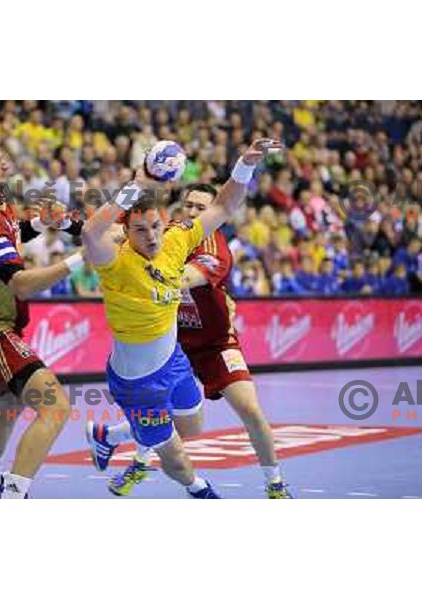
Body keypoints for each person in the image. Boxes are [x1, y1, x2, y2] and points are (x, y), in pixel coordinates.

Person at [82, 138, 283, 499]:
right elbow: (91, 232)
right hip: (138, 381)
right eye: (140, 230)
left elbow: (223, 205)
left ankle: (109, 436)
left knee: (191, 428)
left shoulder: (176, 240)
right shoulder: (113, 262)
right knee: (176, 459)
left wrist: (245, 164)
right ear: (126, 233)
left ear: (166, 223)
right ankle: (199, 490)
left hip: (175, 359)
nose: (151, 237)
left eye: (155, 227)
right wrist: (140, 185)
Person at [0, 135, 83, 499]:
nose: (5, 165)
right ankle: (13, 495)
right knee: (55, 406)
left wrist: (43, 225)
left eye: (2, 157)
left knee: (8, 404)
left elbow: (12, 235)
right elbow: (21, 285)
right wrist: (84, 258)